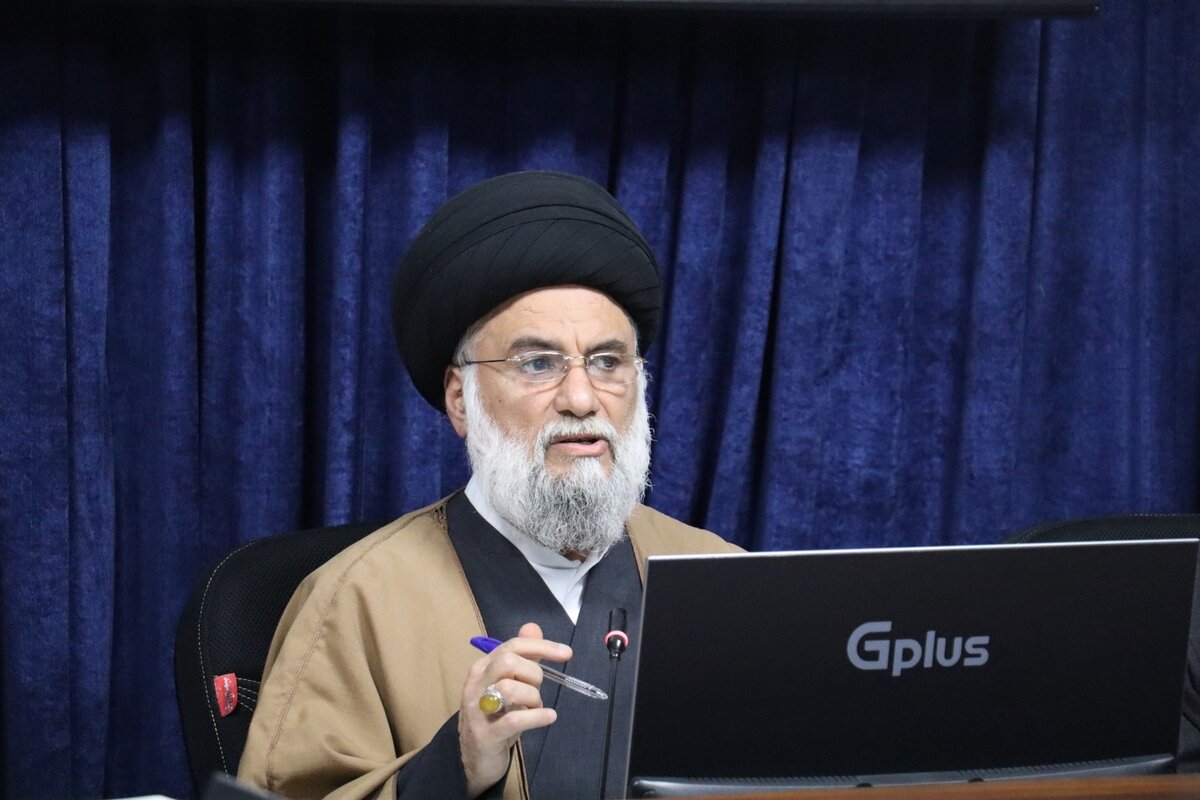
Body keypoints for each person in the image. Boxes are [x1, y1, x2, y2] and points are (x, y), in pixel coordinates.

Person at [237, 171, 741, 800]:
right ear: (460, 398)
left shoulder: (720, 575)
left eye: (608, 362)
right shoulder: (355, 600)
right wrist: (457, 764)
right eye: (538, 364)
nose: (582, 398)